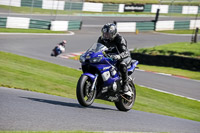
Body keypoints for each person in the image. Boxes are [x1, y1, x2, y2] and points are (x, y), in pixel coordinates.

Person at [97, 23, 132, 93]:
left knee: (122, 64)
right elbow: (97, 49)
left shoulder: (119, 39)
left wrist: (119, 56)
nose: (106, 35)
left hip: (123, 57)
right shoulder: (101, 39)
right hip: (110, 57)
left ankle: (125, 84)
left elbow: (125, 52)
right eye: (105, 33)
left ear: (113, 33)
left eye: (108, 34)